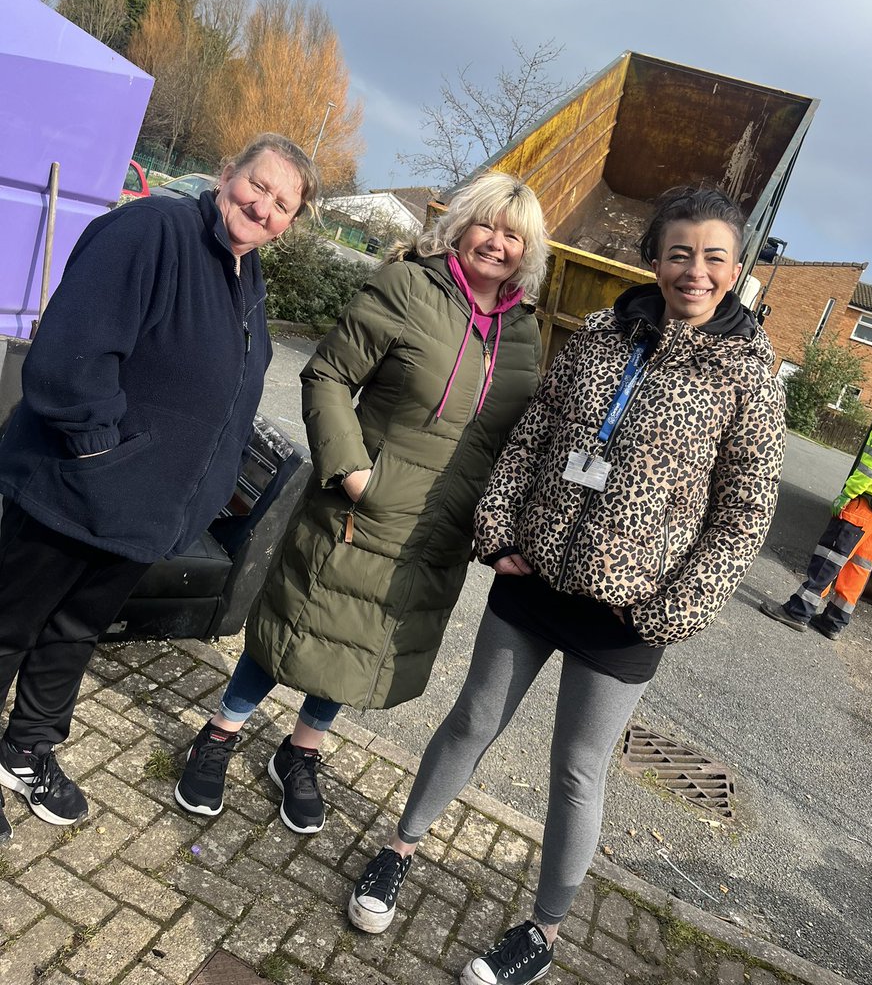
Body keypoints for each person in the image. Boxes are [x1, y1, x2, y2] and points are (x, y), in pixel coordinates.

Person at [346, 185, 786, 985]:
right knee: (471, 720)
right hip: (536, 573)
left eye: (713, 257)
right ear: (655, 257)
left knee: (578, 770)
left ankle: (543, 934)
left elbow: (746, 510)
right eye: (679, 252)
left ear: (736, 269)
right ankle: (398, 847)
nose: (694, 270)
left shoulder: (750, 376)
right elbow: (533, 433)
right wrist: (501, 529)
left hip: (629, 612)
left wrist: (671, 610)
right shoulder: (600, 333)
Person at [174, 172, 548, 837]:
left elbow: (515, 440)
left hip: (438, 530)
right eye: (487, 224)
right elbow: (328, 374)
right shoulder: (409, 286)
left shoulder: (523, 332)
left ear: (530, 250)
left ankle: (301, 751)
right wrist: (350, 471)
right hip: (361, 508)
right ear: (461, 226)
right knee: (300, 619)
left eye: (514, 234)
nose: (497, 243)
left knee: (359, 642)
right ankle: (220, 732)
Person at [0, 133, 318, 843]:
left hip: (139, 510)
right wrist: (98, 452)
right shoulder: (154, 229)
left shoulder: (248, 273)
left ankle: (26, 748)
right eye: (257, 186)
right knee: (9, 624)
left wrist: (195, 494)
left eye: (282, 204)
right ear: (228, 172)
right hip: (72, 487)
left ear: (291, 224)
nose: (262, 207)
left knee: (75, 631)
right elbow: (71, 352)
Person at [761, 375, 872, 639]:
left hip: (867, 503)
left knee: (831, 557)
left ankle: (798, 611)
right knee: (859, 566)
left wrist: (847, 494)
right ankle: (834, 620)